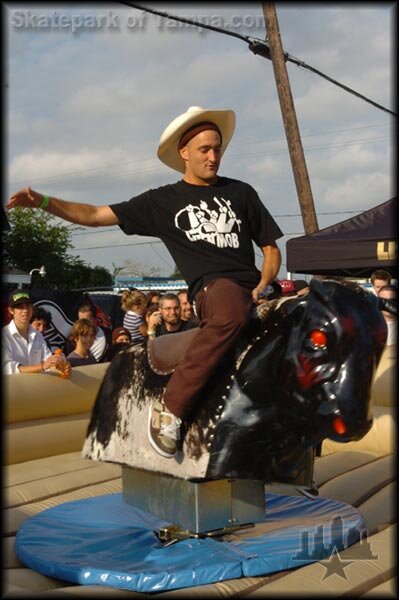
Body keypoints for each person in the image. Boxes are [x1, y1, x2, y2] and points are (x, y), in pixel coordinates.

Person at [7, 105, 283, 458]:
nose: (214, 156)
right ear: (184, 153)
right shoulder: (163, 201)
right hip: (215, 288)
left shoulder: (242, 192)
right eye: (205, 149)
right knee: (231, 310)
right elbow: (93, 215)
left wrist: (264, 282)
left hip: (255, 288)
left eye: (218, 149)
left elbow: (271, 249)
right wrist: (43, 201)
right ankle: (171, 408)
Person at [2, 289, 71, 376]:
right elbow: (8, 368)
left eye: (28, 306)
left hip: (37, 388)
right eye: (20, 307)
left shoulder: (38, 335)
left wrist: (61, 367)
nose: (25, 310)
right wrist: (42, 366)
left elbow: (48, 364)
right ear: (11, 310)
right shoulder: (5, 335)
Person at [64, 296, 111, 362]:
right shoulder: (70, 342)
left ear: (95, 319)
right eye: (81, 320)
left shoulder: (108, 335)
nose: (88, 339)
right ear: (76, 338)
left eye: (87, 320)